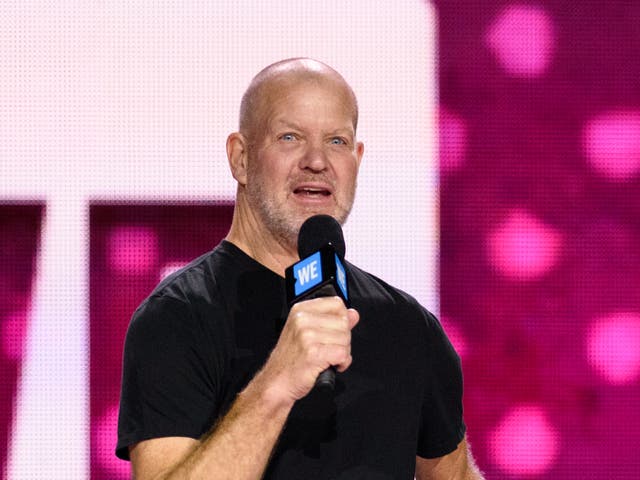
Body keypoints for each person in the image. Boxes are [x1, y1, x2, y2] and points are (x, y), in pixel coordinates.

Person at [116, 58, 484, 479]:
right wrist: (277, 384)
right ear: (240, 157)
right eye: (290, 137)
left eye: (337, 142)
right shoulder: (177, 317)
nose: (316, 161)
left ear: (357, 159)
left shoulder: (410, 327)